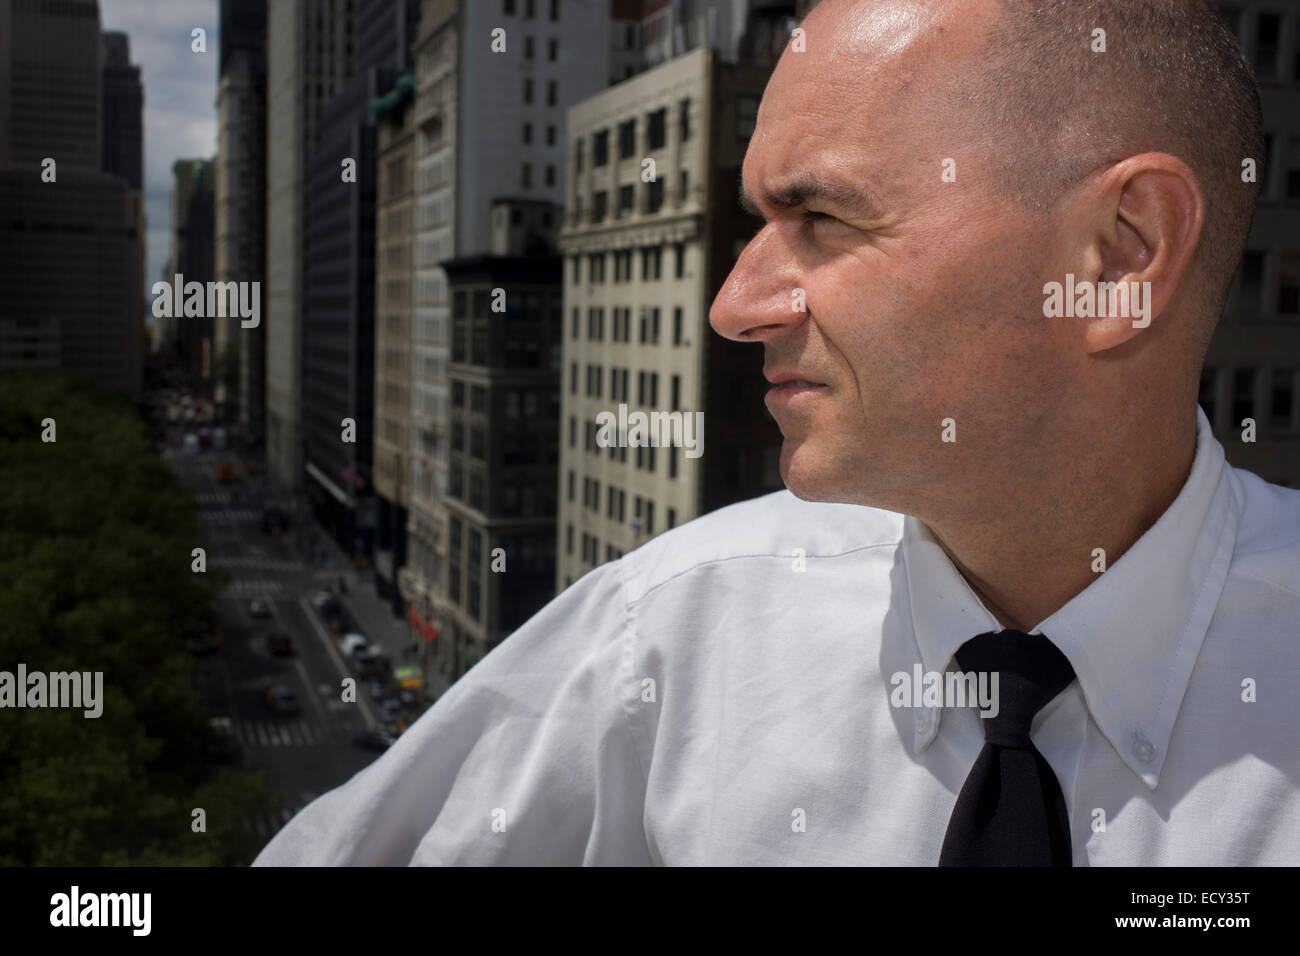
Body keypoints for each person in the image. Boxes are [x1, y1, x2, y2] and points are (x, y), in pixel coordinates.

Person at [254, 0, 1299, 866]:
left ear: (1120, 255)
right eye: (755, 221)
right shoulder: (669, 635)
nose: (735, 303)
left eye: (826, 221)